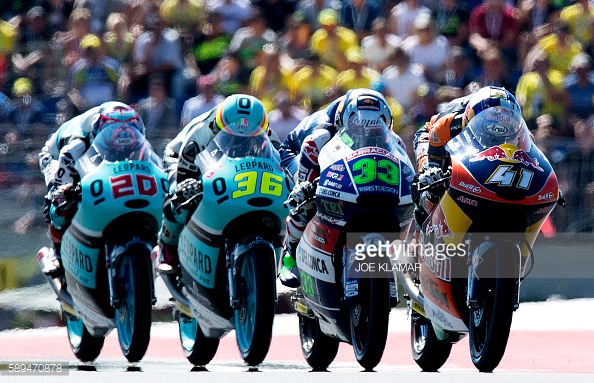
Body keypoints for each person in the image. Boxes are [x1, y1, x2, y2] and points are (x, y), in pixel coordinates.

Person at [278, 88, 398, 287]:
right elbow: (308, 168)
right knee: (308, 201)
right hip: (299, 152)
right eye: (360, 127)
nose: (367, 133)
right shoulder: (321, 135)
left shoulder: (389, 137)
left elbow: (400, 159)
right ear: (346, 123)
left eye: (375, 129)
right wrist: (304, 186)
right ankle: (289, 255)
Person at [156, 94, 279, 276]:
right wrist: (186, 186)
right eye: (233, 137)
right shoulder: (201, 132)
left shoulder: (266, 132)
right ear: (219, 126)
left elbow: (281, 163)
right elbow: (186, 162)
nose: (240, 141)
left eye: (248, 137)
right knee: (180, 196)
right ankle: (168, 248)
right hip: (182, 158)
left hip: (232, 166)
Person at [37, 101, 145, 276]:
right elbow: (66, 167)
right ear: (101, 132)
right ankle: (56, 252)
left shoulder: (134, 129)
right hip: (57, 155)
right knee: (62, 200)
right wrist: (65, 188)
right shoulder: (77, 143)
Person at [410, 85, 522, 228]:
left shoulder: (522, 134)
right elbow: (434, 162)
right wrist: (433, 172)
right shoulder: (447, 124)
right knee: (431, 179)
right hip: (433, 138)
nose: (495, 136)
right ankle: (420, 233)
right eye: (489, 125)